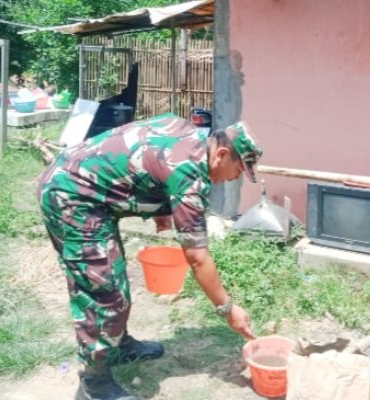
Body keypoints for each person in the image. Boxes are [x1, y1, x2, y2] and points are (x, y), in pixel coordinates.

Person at [37, 114, 263, 400]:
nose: (235, 178)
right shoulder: (190, 174)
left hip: (84, 186)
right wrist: (228, 309)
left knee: (114, 281)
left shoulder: (186, 132)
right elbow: (197, 258)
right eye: (239, 169)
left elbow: (150, 158)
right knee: (104, 292)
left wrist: (161, 208)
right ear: (221, 154)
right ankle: (94, 383)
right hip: (71, 197)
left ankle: (117, 345)